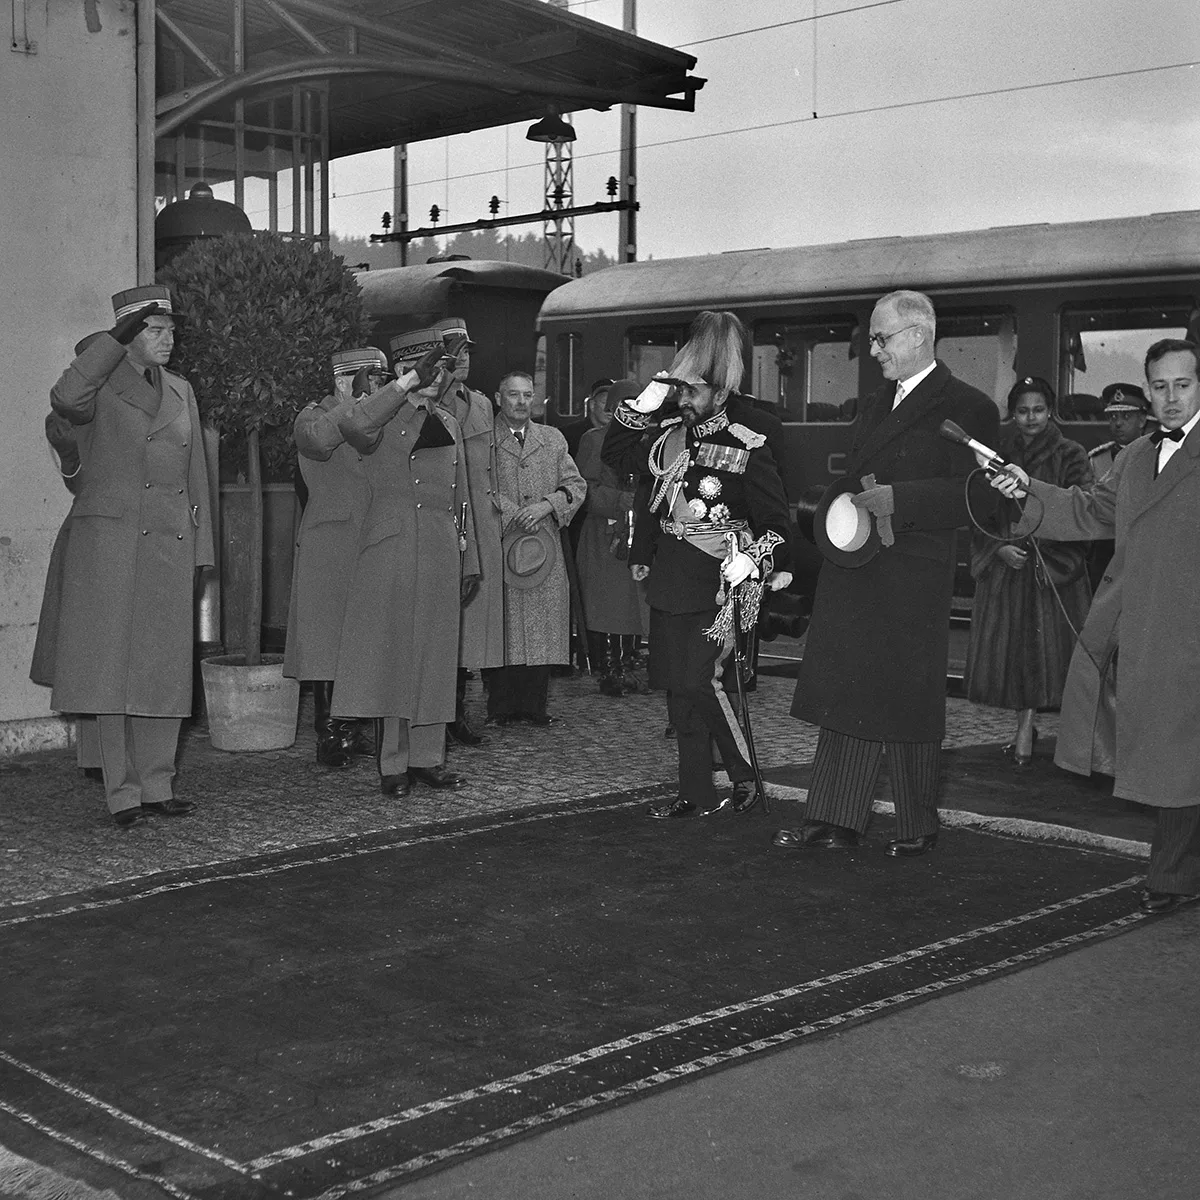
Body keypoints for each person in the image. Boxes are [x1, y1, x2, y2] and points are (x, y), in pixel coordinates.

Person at [779, 289, 999, 855]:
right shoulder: (876, 404)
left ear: (919, 335)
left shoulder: (970, 406)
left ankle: (916, 824)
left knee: (908, 699)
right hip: (857, 562)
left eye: (882, 338)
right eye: (871, 338)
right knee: (849, 687)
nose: (872, 350)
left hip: (913, 573)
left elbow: (982, 497)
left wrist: (902, 498)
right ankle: (833, 817)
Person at [986, 338, 1200, 914]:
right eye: (1160, 387)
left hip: (1188, 626)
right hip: (1142, 622)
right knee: (1173, 753)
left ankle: (1172, 876)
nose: (1171, 398)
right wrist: (1027, 488)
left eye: (1183, 384)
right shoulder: (1133, 458)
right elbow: (1089, 510)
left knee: (1178, 754)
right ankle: (1174, 875)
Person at [35, 286, 214, 828]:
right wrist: (112, 340)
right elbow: (65, 399)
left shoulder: (182, 390)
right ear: (129, 337)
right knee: (113, 669)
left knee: (162, 667)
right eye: (155, 331)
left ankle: (158, 783)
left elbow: (196, 479)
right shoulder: (99, 384)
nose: (169, 340)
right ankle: (122, 792)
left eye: (171, 330)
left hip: (168, 543)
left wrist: (201, 550)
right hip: (110, 545)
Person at [603, 311, 793, 820]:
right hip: (671, 574)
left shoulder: (746, 442)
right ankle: (694, 791)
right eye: (678, 392)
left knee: (697, 681)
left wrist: (753, 561)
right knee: (676, 687)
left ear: (718, 391)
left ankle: (745, 775)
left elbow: (778, 523)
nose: (681, 401)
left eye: (690, 392)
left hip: (717, 581)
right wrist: (640, 407)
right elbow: (617, 458)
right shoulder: (666, 435)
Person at [331, 328, 479, 796]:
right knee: (395, 658)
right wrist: (405, 386)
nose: (440, 376)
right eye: (431, 367)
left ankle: (427, 758)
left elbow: (463, 499)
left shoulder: (450, 422)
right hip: (392, 547)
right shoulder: (382, 415)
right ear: (405, 370)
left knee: (435, 657)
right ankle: (393, 763)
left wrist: (469, 557)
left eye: (443, 367)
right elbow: (352, 426)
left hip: (438, 547)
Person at [963, 377, 1093, 766]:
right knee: (1020, 657)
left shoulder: (1071, 453)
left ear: (1050, 411)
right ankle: (1024, 726)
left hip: (1052, 574)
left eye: (1038, 410)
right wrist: (995, 548)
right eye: (1022, 410)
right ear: (1013, 413)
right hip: (1009, 569)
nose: (1030, 418)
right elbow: (977, 509)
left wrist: (1048, 556)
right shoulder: (996, 453)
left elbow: (1084, 507)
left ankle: (1030, 731)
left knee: (1049, 660)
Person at [283, 347, 387, 767]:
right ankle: (329, 734)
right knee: (328, 641)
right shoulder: (312, 415)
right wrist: (355, 405)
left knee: (362, 639)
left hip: (370, 540)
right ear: (345, 381)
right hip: (330, 544)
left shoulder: (378, 416)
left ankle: (355, 727)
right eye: (372, 379)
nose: (378, 388)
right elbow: (318, 441)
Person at [486, 370, 586, 724]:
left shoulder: (552, 438)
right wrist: (513, 513)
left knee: (542, 626)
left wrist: (546, 505)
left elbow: (575, 483)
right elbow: (478, 485)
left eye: (527, 395)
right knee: (503, 626)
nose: (521, 402)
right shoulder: (485, 439)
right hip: (502, 544)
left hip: (544, 546)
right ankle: (500, 707)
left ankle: (534, 706)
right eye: (513, 395)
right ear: (499, 399)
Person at [30, 334, 108, 784]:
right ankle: (97, 756)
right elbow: (77, 480)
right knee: (93, 650)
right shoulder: (68, 420)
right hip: (90, 535)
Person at [432, 317, 503, 746]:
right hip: (441, 518)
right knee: (438, 622)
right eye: (454, 352)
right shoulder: (423, 403)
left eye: (467, 351)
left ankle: (456, 712)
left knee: (467, 627)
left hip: (477, 520)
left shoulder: (480, 404)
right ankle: (432, 714)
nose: (463, 359)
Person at [575, 380, 649, 696]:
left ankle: (626, 663)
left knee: (631, 604)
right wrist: (621, 500)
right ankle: (611, 669)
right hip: (606, 535)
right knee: (609, 604)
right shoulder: (595, 441)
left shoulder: (647, 442)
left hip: (636, 531)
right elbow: (584, 490)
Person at [1086, 383, 1151, 590]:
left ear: (1142, 420)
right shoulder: (1098, 458)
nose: (1118, 424)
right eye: (1113, 417)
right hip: (1106, 550)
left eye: (1126, 417)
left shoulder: (1158, 455)